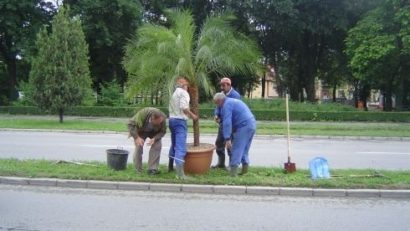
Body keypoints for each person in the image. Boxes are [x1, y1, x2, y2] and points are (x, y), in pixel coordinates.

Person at [213, 92, 256, 177]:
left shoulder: (226, 105)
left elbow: (227, 122)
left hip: (243, 126)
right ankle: (244, 170)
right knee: (244, 149)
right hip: (251, 124)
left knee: (236, 148)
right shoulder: (232, 101)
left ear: (220, 101)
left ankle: (233, 173)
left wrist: (227, 138)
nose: (217, 106)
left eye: (217, 103)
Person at [168, 77, 198, 179]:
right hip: (180, 121)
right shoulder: (184, 93)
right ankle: (180, 174)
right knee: (180, 147)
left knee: (174, 144)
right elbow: (184, 107)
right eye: (187, 84)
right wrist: (193, 115)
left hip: (171, 120)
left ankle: (170, 167)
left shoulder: (174, 93)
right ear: (184, 85)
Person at [127, 107, 166, 175]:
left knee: (157, 145)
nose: (159, 124)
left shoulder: (162, 118)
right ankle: (138, 169)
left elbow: (163, 131)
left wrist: (155, 138)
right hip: (141, 131)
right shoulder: (143, 114)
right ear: (152, 119)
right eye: (157, 123)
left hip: (154, 133)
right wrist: (137, 138)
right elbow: (130, 124)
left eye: (160, 122)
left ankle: (152, 169)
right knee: (139, 146)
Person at [213, 77, 241, 169]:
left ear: (229, 85)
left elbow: (235, 111)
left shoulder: (235, 95)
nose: (221, 87)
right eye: (221, 85)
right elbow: (217, 106)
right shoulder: (221, 94)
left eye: (223, 85)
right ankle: (221, 163)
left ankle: (231, 165)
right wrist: (217, 115)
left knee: (230, 144)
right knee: (219, 143)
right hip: (222, 123)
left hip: (231, 124)